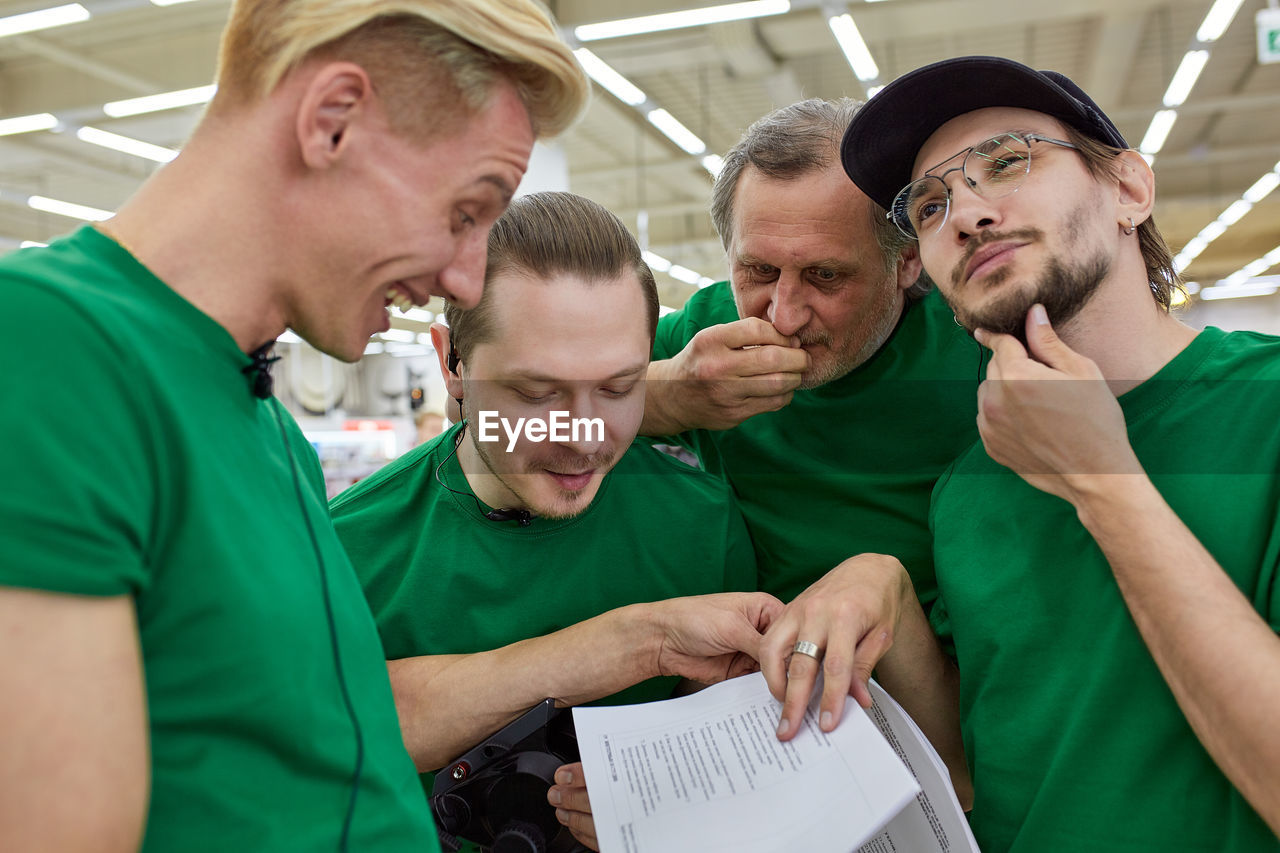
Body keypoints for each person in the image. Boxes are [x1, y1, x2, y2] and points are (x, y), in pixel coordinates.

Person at [0, 2, 588, 851]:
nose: (467, 278)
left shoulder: (259, 417)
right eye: (466, 211)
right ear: (333, 120)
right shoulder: (50, 347)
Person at [772, 55, 1280, 850]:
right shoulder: (967, 490)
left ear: (1128, 190)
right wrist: (888, 588)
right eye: (930, 205)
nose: (965, 214)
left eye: (1007, 161)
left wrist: (1102, 480)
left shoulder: (1265, 408)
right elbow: (974, 773)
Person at [330, 192, 782, 851]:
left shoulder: (700, 523)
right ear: (452, 362)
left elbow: (738, 772)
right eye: (537, 391)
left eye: (620, 386)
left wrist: (678, 808)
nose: (583, 436)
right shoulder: (345, 548)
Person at [642, 98, 982, 611]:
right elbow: (507, 422)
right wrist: (666, 397)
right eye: (758, 271)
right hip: (748, 668)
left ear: (908, 261)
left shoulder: (980, 342)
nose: (783, 316)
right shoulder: (706, 331)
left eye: (826, 276)